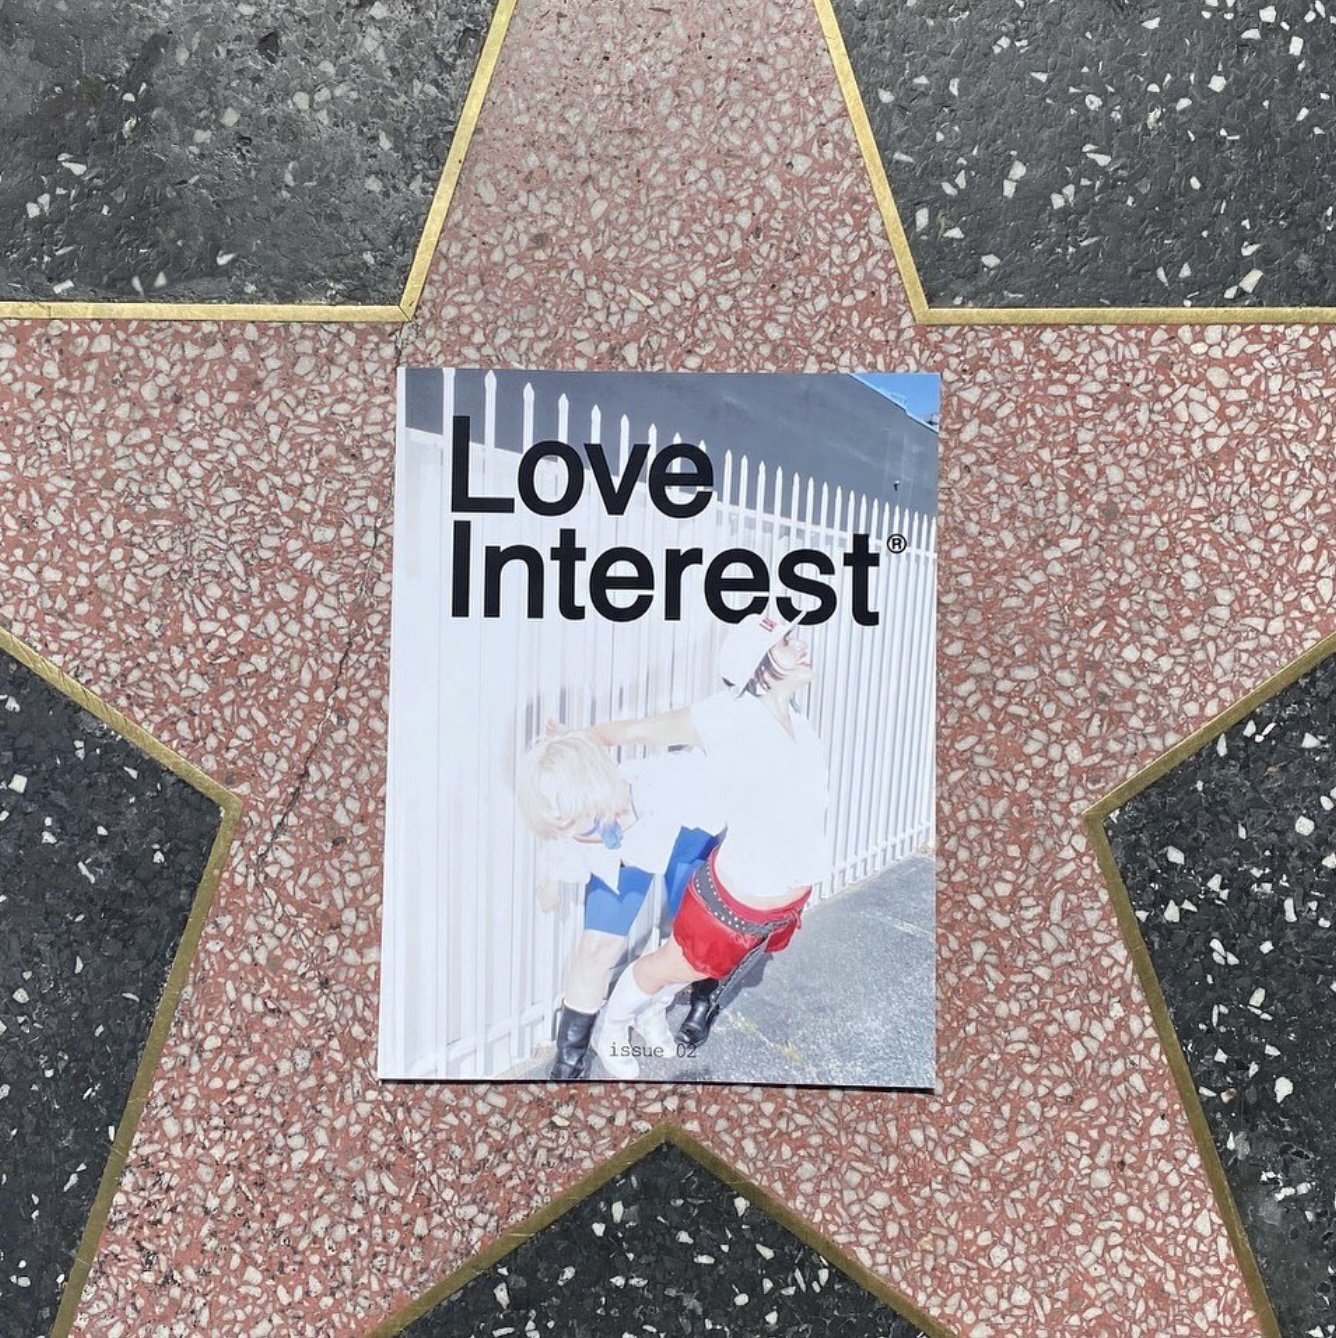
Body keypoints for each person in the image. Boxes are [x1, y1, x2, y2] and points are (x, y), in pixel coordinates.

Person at [578, 612, 831, 1078]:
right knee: (672, 965)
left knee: (688, 969)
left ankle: (650, 1015)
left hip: (779, 902)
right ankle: (611, 1027)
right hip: (734, 903)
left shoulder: (800, 724)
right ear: (757, 665)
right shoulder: (728, 715)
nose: (801, 647)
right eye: (785, 643)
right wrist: (580, 740)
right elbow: (640, 731)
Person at [516, 731, 721, 1079]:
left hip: (685, 836)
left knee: (692, 941)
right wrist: (551, 880)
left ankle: (652, 1009)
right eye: (558, 826)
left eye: (570, 823)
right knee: (596, 948)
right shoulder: (571, 816)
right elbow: (562, 842)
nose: (565, 834)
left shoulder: (666, 780)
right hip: (625, 853)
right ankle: (570, 1063)